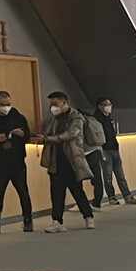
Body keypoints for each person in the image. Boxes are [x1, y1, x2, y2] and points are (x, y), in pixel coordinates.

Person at [37, 91, 94, 232]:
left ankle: (88, 216)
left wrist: (48, 139)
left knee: (77, 191)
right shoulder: (53, 119)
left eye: (55, 104)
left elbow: (71, 134)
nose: (53, 107)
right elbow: (47, 132)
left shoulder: (76, 117)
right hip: (55, 160)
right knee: (56, 192)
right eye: (51, 104)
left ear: (64, 102)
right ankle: (57, 222)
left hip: (71, 160)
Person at [0, 90, 34, 233]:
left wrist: (22, 134)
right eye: (2, 104)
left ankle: (28, 221)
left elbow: (27, 136)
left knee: (23, 192)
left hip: (17, 161)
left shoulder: (18, 117)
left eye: (7, 104)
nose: (5, 107)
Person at [92, 97, 136, 206]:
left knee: (120, 175)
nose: (109, 106)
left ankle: (127, 196)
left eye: (110, 104)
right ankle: (112, 197)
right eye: (106, 104)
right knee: (108, 176)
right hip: (105, 150)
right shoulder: (96, 120)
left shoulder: (109, 117)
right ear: (99, 106)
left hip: (114, 148)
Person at [81, 108, 106, 211]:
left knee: (77, 179)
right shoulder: (93, 119)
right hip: (96, 150)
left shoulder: (80, 120)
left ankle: (82, 203)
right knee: (97, 178)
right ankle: (97, 203)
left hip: (86, 152)